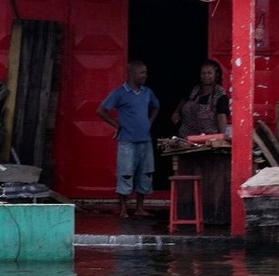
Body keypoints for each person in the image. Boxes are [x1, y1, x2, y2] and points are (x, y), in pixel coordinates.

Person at [97, 60, 160, 218]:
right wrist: (116, 124)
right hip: (127, 141)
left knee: (145, 174)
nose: (145, 75)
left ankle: (140, 207)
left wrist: (149, 121)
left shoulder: (147, 92)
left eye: (145, 72)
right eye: (142, 73)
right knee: (126, 173)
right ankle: (124, 208)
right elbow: (101, 110)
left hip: (145, 141)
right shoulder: (120, 93)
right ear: (131, 74)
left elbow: (156, 106)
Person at [171, 59, 230, 137]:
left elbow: (221, 116)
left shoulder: (220, 94)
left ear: (216, 74)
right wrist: (176, 112)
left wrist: (222, 136)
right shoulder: (195, 90)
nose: (206, 76)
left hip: (208, 140)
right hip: (185, 137)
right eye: (203, 73)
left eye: (209, 73)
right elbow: (185, 100)